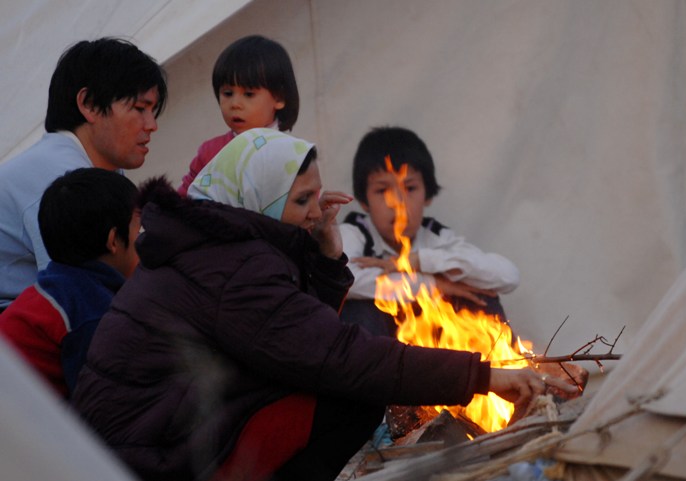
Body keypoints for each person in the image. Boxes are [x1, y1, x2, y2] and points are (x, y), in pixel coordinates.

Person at [71, 128, 584, 481]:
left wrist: (327, 250)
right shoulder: (231, 265)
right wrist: (481, 377)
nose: (317, 210)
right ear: (260, 199)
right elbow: (332, 356)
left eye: (319, 196)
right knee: (352, 394)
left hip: (151, 432)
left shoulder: (215, 242)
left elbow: (290, 331)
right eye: (301, 201)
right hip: (147, 458)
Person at [0, 37, 166, 311]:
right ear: (88, 103)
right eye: (139, 109)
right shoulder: (57, 178)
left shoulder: (99, 171)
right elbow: (81, 297)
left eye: (152, 110)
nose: (151, 125)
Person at [339, 126, 521, 337]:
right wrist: (432, 284)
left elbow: (508, 277)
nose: (398, 203)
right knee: (358, 308)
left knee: (480, 296)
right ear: (364, 201)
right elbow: (346, 281)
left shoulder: (436, 238)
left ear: (428, 195)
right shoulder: (354, 233)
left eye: (409, 188)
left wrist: (420, 261)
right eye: (382, 191)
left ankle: (493, 366)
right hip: (381, 353)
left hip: (432, 347)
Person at [0, 168, 140, 398]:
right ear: (114, 241)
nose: (145, 238)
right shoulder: (91, 314)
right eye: (139, 228)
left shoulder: (62, 284)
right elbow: (103, 405)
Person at [176, 35, 299, 196]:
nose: (235, 104)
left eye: (248, 94)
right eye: (227, 93)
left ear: (279, 98)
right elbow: (181, 201)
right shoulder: (210, 152)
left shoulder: (293, 154)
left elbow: (306, 207)